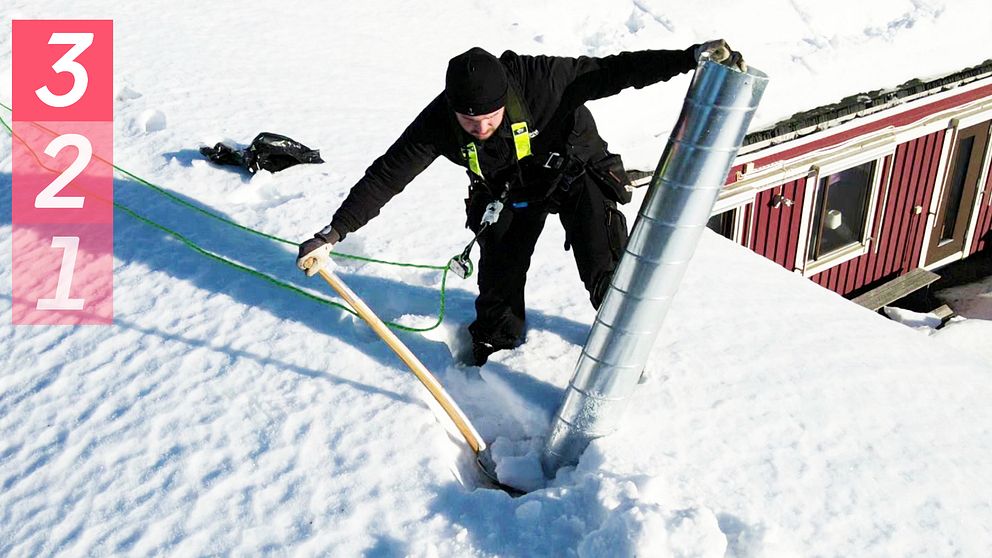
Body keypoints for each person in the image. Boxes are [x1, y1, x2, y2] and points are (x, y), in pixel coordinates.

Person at [298, 40, 746, 365]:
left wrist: (688, 58)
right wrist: (333, 232)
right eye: (468, 120)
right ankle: (496, 355)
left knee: (601, 256)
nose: (479, 128)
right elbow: (388, 174)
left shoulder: (544, 80)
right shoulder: (439, 122)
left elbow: (617, 71)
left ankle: (622, 341)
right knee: (499, 281)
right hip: (509, 192)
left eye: (488, 117)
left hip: (574, 170)